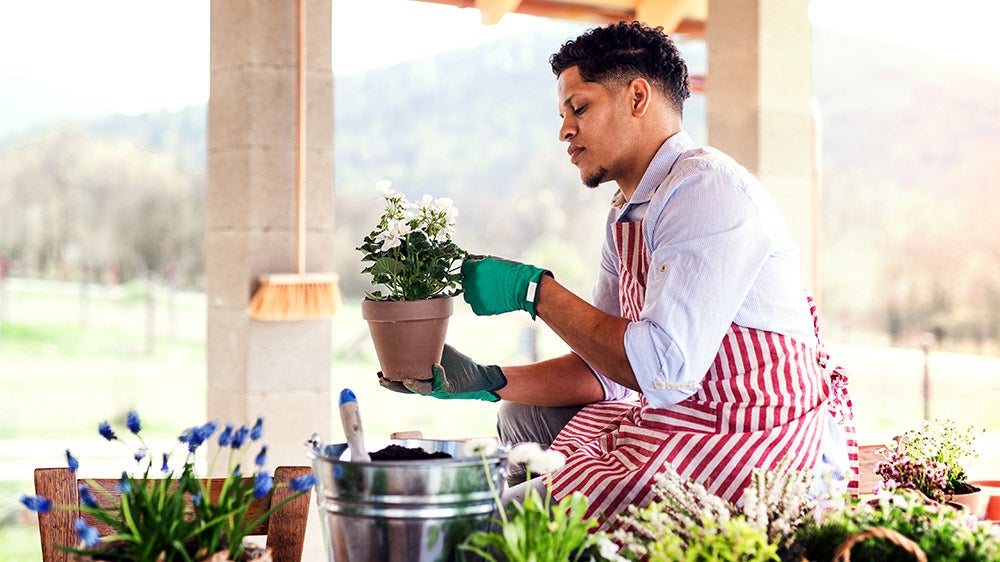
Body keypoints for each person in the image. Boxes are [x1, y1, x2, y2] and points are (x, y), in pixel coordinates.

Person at [378, 20, 858, 528]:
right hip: (681, 419)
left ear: (636, 97)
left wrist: (534, 292)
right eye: (563, 114)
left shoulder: (706, 190)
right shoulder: (626, 210)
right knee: (518, 415)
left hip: (749, 441)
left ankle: (539, 534)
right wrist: (483, 380)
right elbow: (605, 369)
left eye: (579, 108)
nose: (564, 129)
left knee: (486, 525)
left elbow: (662, 370)